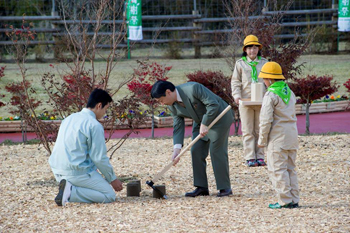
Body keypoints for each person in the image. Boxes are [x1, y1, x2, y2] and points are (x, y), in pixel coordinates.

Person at [151, 80, 234, 197]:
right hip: (200, 122)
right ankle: (201, 187)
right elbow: (178, 126)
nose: (161, 103)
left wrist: (205, 124)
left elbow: (213, 104)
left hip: (219, 117)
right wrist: (177, 149)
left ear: (168, 92)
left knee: (216, 151)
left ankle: (224, 188)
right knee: (196, 150)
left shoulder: (193, 88)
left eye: (161, 100)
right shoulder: (172, 106)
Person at [49, 88, 123, 206]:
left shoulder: (69, 118)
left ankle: (68, 188)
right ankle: (70, 193)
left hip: (57, 170)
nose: (105, 113)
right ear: (99, 105)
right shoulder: (94, 125)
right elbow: (99, 158)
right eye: (106, 109)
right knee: (109, 195)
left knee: (94, 185)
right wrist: (112, 179)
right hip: (76, 173)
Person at [257, 62, 299, 209]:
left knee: (277, 169)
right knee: (290, 168)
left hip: (278, 137)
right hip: (292, 135)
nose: (263, 81)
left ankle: (285, 200)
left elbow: (265, 120)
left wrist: (262, 140)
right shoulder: (290, 92)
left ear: (269, 79)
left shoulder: (271, 95)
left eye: (264, 79)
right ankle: (294, 198)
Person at [231, 34, 268, 167]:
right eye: (249, 48)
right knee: (247, 130)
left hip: (261, 101)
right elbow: (235, 82)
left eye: (255, 48)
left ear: (258, 49)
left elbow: (269, 81)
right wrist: (236, 95)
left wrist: (269, 96)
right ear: (245, 50)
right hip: (245, 101)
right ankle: (250, 157)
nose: (252, 51)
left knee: (260, 129)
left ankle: (260, 156)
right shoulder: (240, 64)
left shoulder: (264, 63)